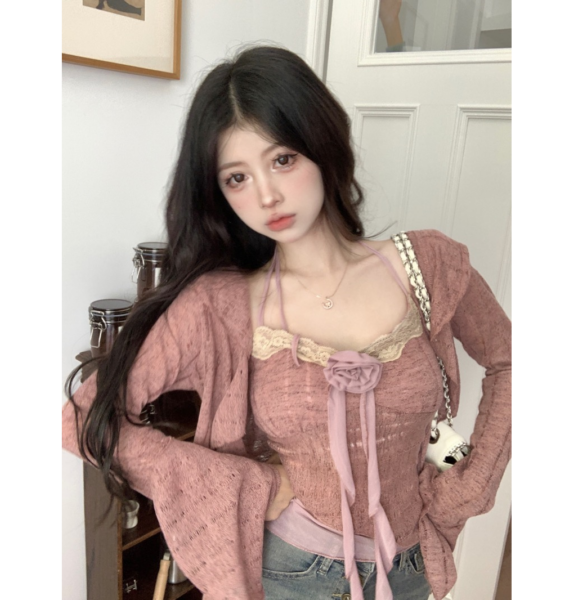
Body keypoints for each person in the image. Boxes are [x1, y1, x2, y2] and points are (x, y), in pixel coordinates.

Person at [62, 44, 511, 600]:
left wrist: (467, 490)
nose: (267, 195)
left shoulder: (429, 265)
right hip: (291, 574)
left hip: (410, 568)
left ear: (321, 143)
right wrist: (250, 485)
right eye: (237, 178)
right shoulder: (222, 306)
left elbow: (511, 361)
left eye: (282, 160)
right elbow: (82, 420)